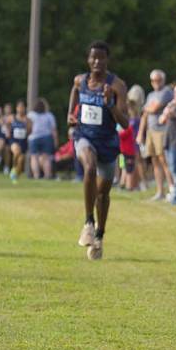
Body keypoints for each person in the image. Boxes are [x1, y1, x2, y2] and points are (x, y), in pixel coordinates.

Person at [67, 41, 129, 260]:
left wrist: (110, 104)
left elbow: (126, 122)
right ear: (88, 59)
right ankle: (88, 222)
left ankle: (100, 234)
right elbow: (74, 91)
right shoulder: (80, 80)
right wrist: (70, 115)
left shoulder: (117, 85)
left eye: (101, 58)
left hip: (108, 143)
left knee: (103, 195)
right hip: (84, 136)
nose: (96, 62)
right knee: (89, 168)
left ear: (107, 60)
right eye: (93, 58)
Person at [139, 70, 174, 201]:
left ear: (163, 80)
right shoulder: (151, 95)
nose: (156, 83)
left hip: (162, 131)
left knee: (164, 160)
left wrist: (147, 107)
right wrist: (140, 133)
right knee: (154, 161)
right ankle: (160, 191)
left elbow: (152, 109)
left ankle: (172, 189)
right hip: (151, 131)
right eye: (153, 80)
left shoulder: (166, 92)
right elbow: (145, 113)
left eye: (158, 80)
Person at [27, 98, 58, 180]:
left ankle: (36, 175)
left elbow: (28, 128)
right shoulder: (49, 115)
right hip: (46, 137)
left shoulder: (31, 115)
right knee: (46, 157)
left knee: (34, 157)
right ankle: (47, 175)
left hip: (34, 137)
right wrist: (55, 141)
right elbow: (53, 130)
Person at [8, 100, 32, 183]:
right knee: (16, 152)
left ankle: (15, 176)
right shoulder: (12, 118)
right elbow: (6, 125)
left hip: (23, 142)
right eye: (19, 107)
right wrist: (8, 132)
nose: (21, 109)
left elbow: (29, 131)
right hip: (14, 140)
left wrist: (26, 126)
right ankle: (13, 168)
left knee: (21, 161)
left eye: (23, 107)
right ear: (17, 108)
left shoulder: (28, 120)